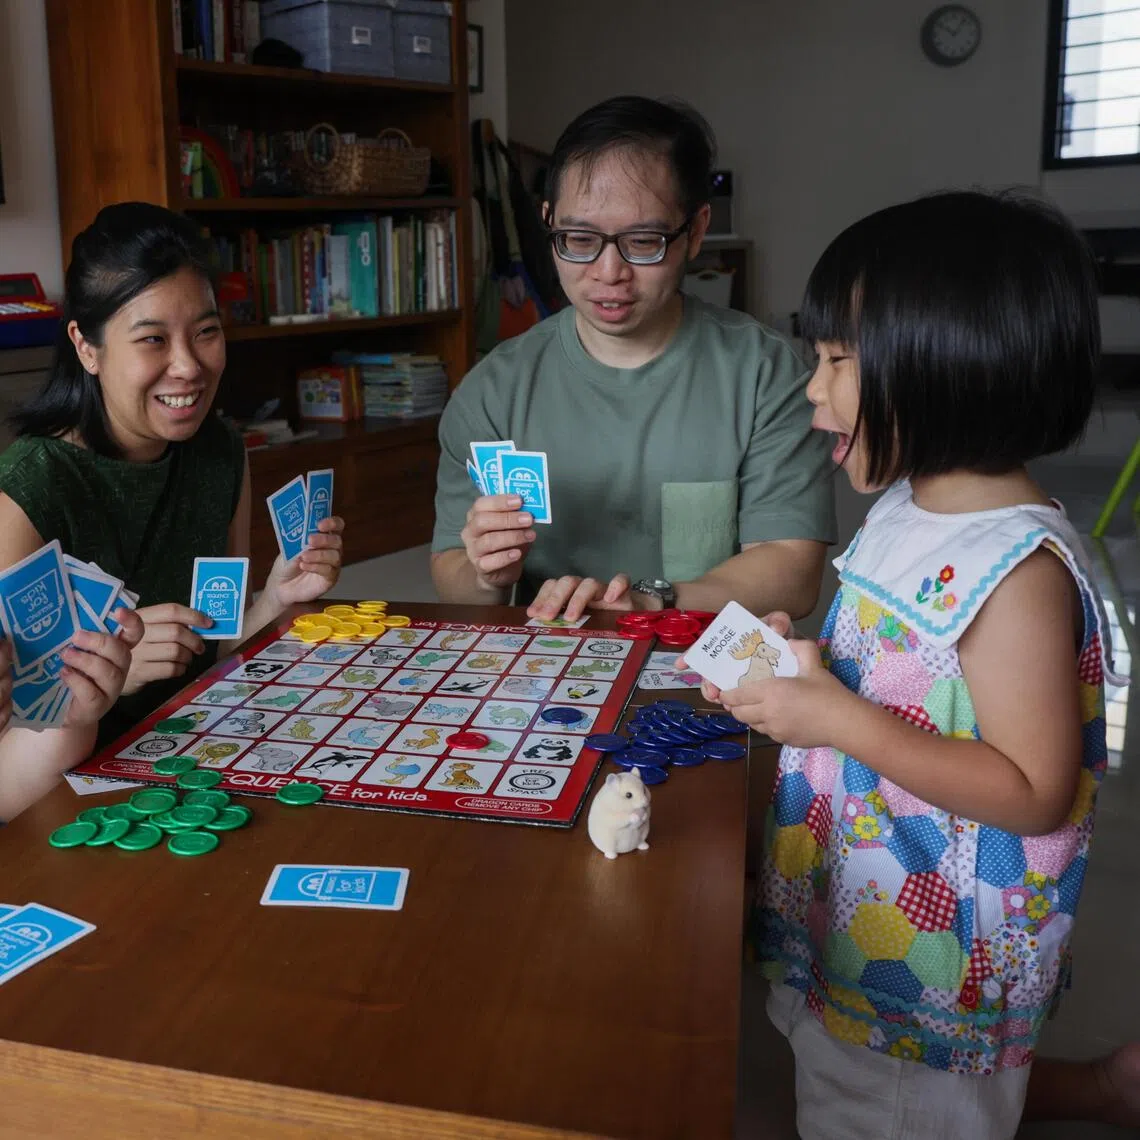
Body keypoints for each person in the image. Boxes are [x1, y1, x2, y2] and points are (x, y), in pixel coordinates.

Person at [693, 190, 1139, 1137]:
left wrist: (834, 718)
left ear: (945, 362)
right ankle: (1098, 1091)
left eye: (836, 362)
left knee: (894, 1110)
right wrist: (799, 668)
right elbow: (899, 674)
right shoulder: (907, 506)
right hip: (866, 898)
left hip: (934, 944)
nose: (812, 391)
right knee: (864, 1085)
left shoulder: (1012, 567)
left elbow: (1032, 790)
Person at [431, 96, 835, 623]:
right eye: (579, 238)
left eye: (643, 241)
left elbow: (792, 573)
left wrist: (651, 601)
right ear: (548, 222)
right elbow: (452, 577)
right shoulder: (493, 391)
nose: (608, 272)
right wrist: (486, 574)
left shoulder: (767, 374)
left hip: (713, 670)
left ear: (694, 231)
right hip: (549, 666)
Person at [0, 202, 345, 767]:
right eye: (153, 339)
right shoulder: (26, 491)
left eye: (206, 331)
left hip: (196, 756)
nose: (188, 365)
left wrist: (277, 596)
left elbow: (218, 653)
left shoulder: (221, 450)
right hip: (67, 800)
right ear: (87, 348)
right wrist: (113, 679)